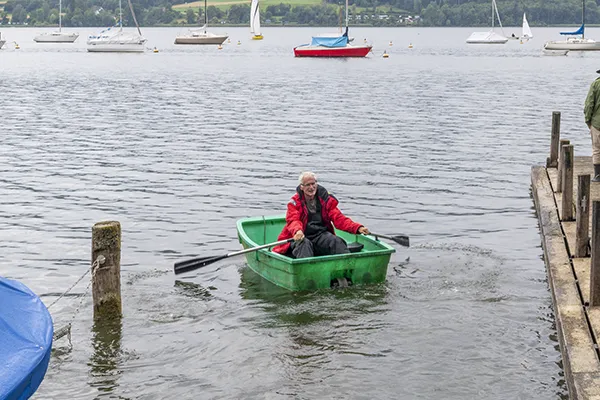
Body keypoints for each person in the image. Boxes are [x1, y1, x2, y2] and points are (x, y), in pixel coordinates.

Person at [272, 172, 370, 258]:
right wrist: (297, 231)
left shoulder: (326, 200)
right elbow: (293, 220)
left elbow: (339, 219)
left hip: (320, 235)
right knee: (304, 245)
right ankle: (307, 275)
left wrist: (357, 228)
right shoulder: (294, 202)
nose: (311, 187)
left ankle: (347, 268)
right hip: (300, 237)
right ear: (302, 187)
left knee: (336, 242)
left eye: (313, 184)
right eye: (307, 185)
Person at [584, 69, 600, 182]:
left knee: (597, 149)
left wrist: (588, 120)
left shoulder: (595, 84)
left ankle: (598, 176)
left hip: (597, 122)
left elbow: (589, 104)